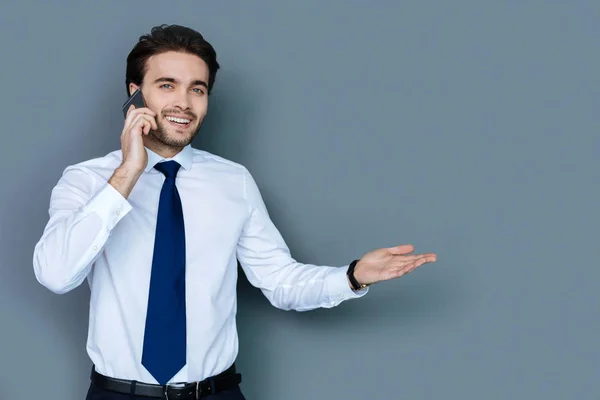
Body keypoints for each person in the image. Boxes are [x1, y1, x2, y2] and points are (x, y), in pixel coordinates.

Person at [32, 24, 437, 400]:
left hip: (216, 393)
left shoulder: (233, 182)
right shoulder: (87, 181)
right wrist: (128, 173)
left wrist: (351, 276)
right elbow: (55, 274)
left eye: (198, 89)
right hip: (119, 395)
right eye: (166, 85)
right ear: (136, 94)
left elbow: (278, 280)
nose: (183, 103)